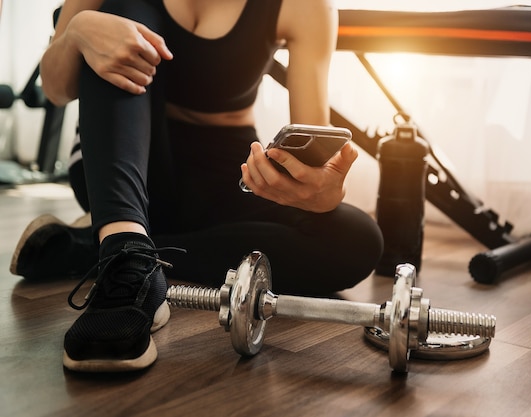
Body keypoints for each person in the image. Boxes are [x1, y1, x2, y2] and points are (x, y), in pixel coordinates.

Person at [10, 0, 383, 373]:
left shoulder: (306, 7)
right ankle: (124, 244)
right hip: (124, 158)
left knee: (356, 238)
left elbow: (311, 154)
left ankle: (108, 252)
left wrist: (322, 193)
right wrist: (79, 31)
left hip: (223, 170)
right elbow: (57, 90)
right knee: (120, 11)